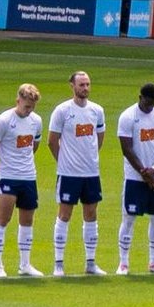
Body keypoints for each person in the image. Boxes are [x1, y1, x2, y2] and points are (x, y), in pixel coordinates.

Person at [46, 71, 111, 276]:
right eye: (81, 85)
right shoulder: (62, 111)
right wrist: (64, 160)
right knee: (64, 215)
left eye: (88, 84)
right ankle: (58, 263)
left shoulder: (97, 111)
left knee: (91, 215)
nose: (85, 88)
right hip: (68, 174)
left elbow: (99, 138)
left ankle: (90, 263)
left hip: (91, 173)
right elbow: (52, 141)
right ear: (72, 86)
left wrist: (89, 158)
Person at [0, 81, 48, 278]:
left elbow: (34, 145)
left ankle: (25, 264)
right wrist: (4, 161)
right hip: (8, 176)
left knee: (27, 221)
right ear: (18, 100)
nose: (29, 110)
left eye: (32, 107)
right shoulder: (4, 120)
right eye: (26, 106)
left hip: (28, 176)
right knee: (3, 219)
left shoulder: (36, 121)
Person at [116, 80, 154, 276]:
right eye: (147, 104)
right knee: (129, 219)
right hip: (134, 178)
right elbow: (126, 148)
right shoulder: (128, 117)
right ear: (140, 98)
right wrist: (144, 173)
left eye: (153, 104)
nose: (149, 108)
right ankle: (123, 263)